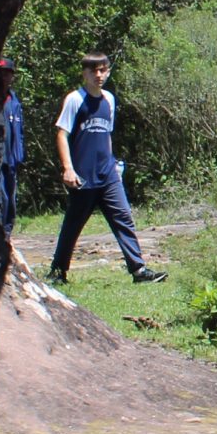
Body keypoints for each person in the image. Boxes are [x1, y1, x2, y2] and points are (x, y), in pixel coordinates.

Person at [47, 53, 167, 285]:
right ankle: (58, 271)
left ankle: (138, 270)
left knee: (123, 218)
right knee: (73, 224)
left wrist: (113, 164)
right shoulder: (75, 99)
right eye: (93, 71)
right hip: (83, 176)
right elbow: (62, 134)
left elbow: (106, 135)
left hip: (108, 176)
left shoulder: (109, 100)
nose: (98, 75)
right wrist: (68, 169)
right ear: (85, 73)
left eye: (103, 70)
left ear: (108, 71)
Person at [0, 57, 24, 237]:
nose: (4, 77)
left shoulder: (14, 102)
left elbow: (19, 132)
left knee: (10, 197)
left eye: (7, 73)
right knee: (1, 197)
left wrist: (19, 154)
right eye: (0, 73)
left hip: (10, 158)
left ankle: (7, 234)